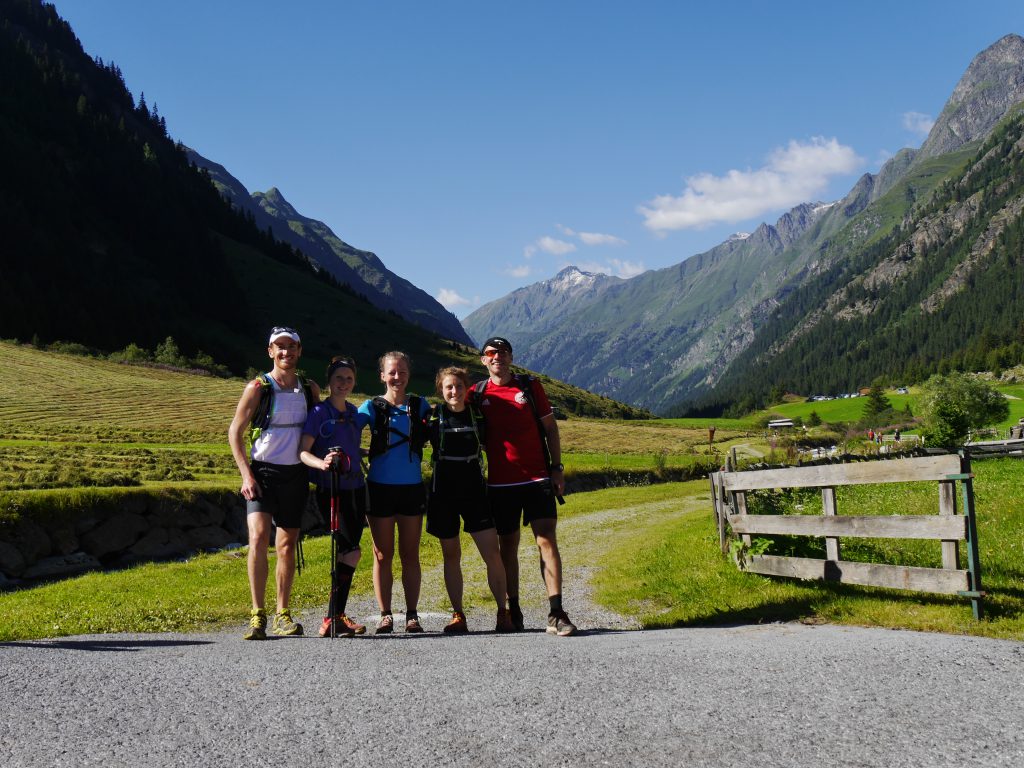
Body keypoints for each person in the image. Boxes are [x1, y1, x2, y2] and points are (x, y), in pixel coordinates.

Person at [471, 336, 577, 637]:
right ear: (483, 359)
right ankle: (512, 609)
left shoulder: (530, 387)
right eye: (491, 353)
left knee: (546, 541)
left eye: (502, 353)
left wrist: (557, 468)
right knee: (508, 548)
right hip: (500, 484)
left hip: (538, 479)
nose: (497, 357)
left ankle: (556, 612)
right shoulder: (476, 394)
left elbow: (551, 428)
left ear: (511, 357)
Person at [228, 327, 320, 640]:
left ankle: (283, 613)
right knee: (257, 538)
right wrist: (246, 475)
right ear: (270, 352)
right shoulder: (258, 387)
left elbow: (318, 430)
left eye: (291, 347)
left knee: (285, 546)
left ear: (299, 351)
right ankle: (257, 614)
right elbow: (234, 432)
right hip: (262, 474)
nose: (286, 353)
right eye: (280, 347)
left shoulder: (309, 389)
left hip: (295, 475)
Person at [427, 366, 514, 634]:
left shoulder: (478, 415)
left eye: (458, 386)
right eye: (448, 387)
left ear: (467, 388)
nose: (454, 391)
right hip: (443, 492)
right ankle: (458, 615)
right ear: (441, 391)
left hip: (475, 491)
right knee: (451, 555)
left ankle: (503, 612)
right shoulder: (433, 417)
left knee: (492, 553)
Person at [357, 351, 431, 634]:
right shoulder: (371, 406)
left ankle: (412, 615)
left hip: (411, 488)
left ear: (408, 375)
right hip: (379, 488)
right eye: (391, 372)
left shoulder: (420, 405)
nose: (396, 377)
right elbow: (348, 430)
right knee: (381, 554)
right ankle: (385, 614)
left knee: (410, 554)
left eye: (401, 372)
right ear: (382, 376)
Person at [299, 356, 367, 638]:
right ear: (329, 381)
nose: (344, 383)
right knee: (350, 552)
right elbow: (303, 452)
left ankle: (334, 616)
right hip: (331, 489)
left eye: (349, 379)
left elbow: (353, 448)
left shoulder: (353, 413)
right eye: (339, 378)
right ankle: (332, 617)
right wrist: (322, 463)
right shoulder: (318, 413)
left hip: (355, 488)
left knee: (349, 552)